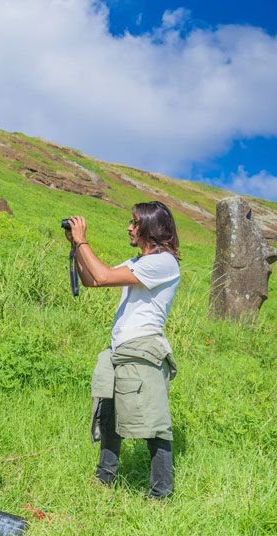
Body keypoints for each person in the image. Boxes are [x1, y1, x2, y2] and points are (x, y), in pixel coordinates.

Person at [64, 201, 180, 499]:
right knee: (108, 415)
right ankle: (104, 479)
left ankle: (160, 494)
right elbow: (92, 280)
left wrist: (82, 240)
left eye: (135, 222)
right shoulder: (137, 262)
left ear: (152, 228)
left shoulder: (164, 262)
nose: (129, 227)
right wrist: (77, 248)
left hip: (143, 351)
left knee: (153, 424)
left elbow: (102, 275)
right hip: (119, 350)